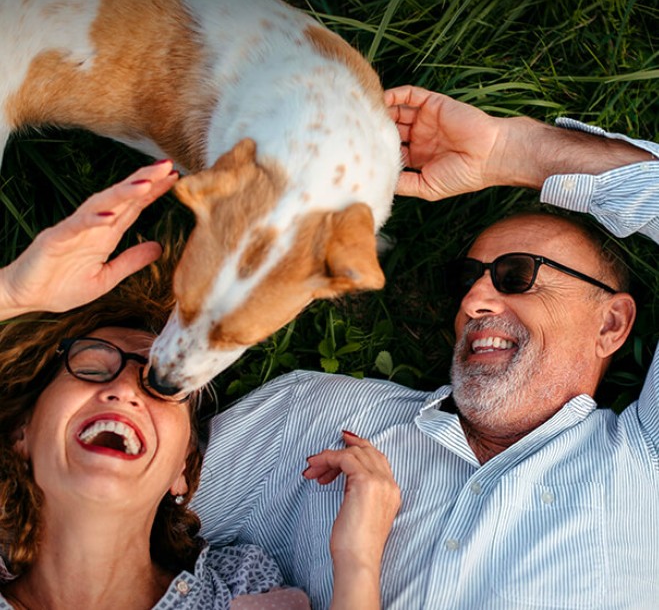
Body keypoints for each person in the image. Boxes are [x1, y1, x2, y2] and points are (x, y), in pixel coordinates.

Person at [189, 86, 659, 609]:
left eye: (517, 275)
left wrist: (510, 151)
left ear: (610, 324)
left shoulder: (646, 467)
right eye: (466, 280)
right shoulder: (313, 416)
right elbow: (131, 515)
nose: (474, 300)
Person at [0, 162, 401, 610]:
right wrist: (13, 295)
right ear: (21, 432)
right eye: (91, 367)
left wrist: (356, 559)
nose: (126, 392)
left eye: (164, 389)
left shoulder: (242, 588)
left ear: (184, 469)